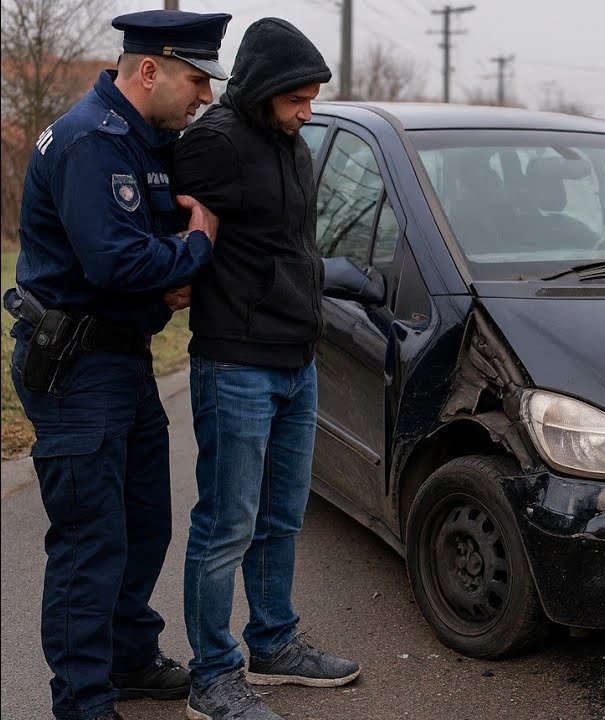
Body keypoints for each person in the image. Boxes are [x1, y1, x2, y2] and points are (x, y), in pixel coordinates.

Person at [3, 10, 229, 720]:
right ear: (150, 69)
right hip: (77, 367)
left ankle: (129, 657)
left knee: (143, 524)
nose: (206, 96)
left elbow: (141, 247)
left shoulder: (142, 138)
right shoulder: (91, 141)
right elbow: (116, 260)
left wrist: (169, 271)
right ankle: (83, 699)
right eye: (197, 80)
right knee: (90, 538)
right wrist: (196, 246)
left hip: (121, 357)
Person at [171, 17, 359, 720]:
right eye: (297, 99)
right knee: (228, 523)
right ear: (261, 89)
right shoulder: (214, 142)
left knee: (282, 516)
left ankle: (274, 643)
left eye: (312, 99)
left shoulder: (293, 147)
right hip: (236, 364)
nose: (308, 112)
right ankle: (212, 677)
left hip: (295, 361)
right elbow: (170, 223)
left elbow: (293, 246)